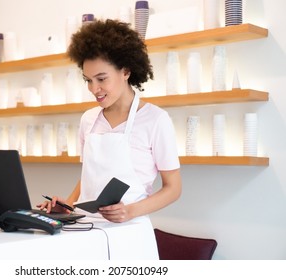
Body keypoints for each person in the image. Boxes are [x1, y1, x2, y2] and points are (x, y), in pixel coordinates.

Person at [38, 19, 181, 224]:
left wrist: (130, 211)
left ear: (125, 71)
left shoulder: (156, 120)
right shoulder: (88, 119)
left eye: (101, 79)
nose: (93, 89)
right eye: (88, 80)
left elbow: (173, 188)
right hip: (86, 227)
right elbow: (90, 177)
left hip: (130, 229)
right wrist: (68, 205)